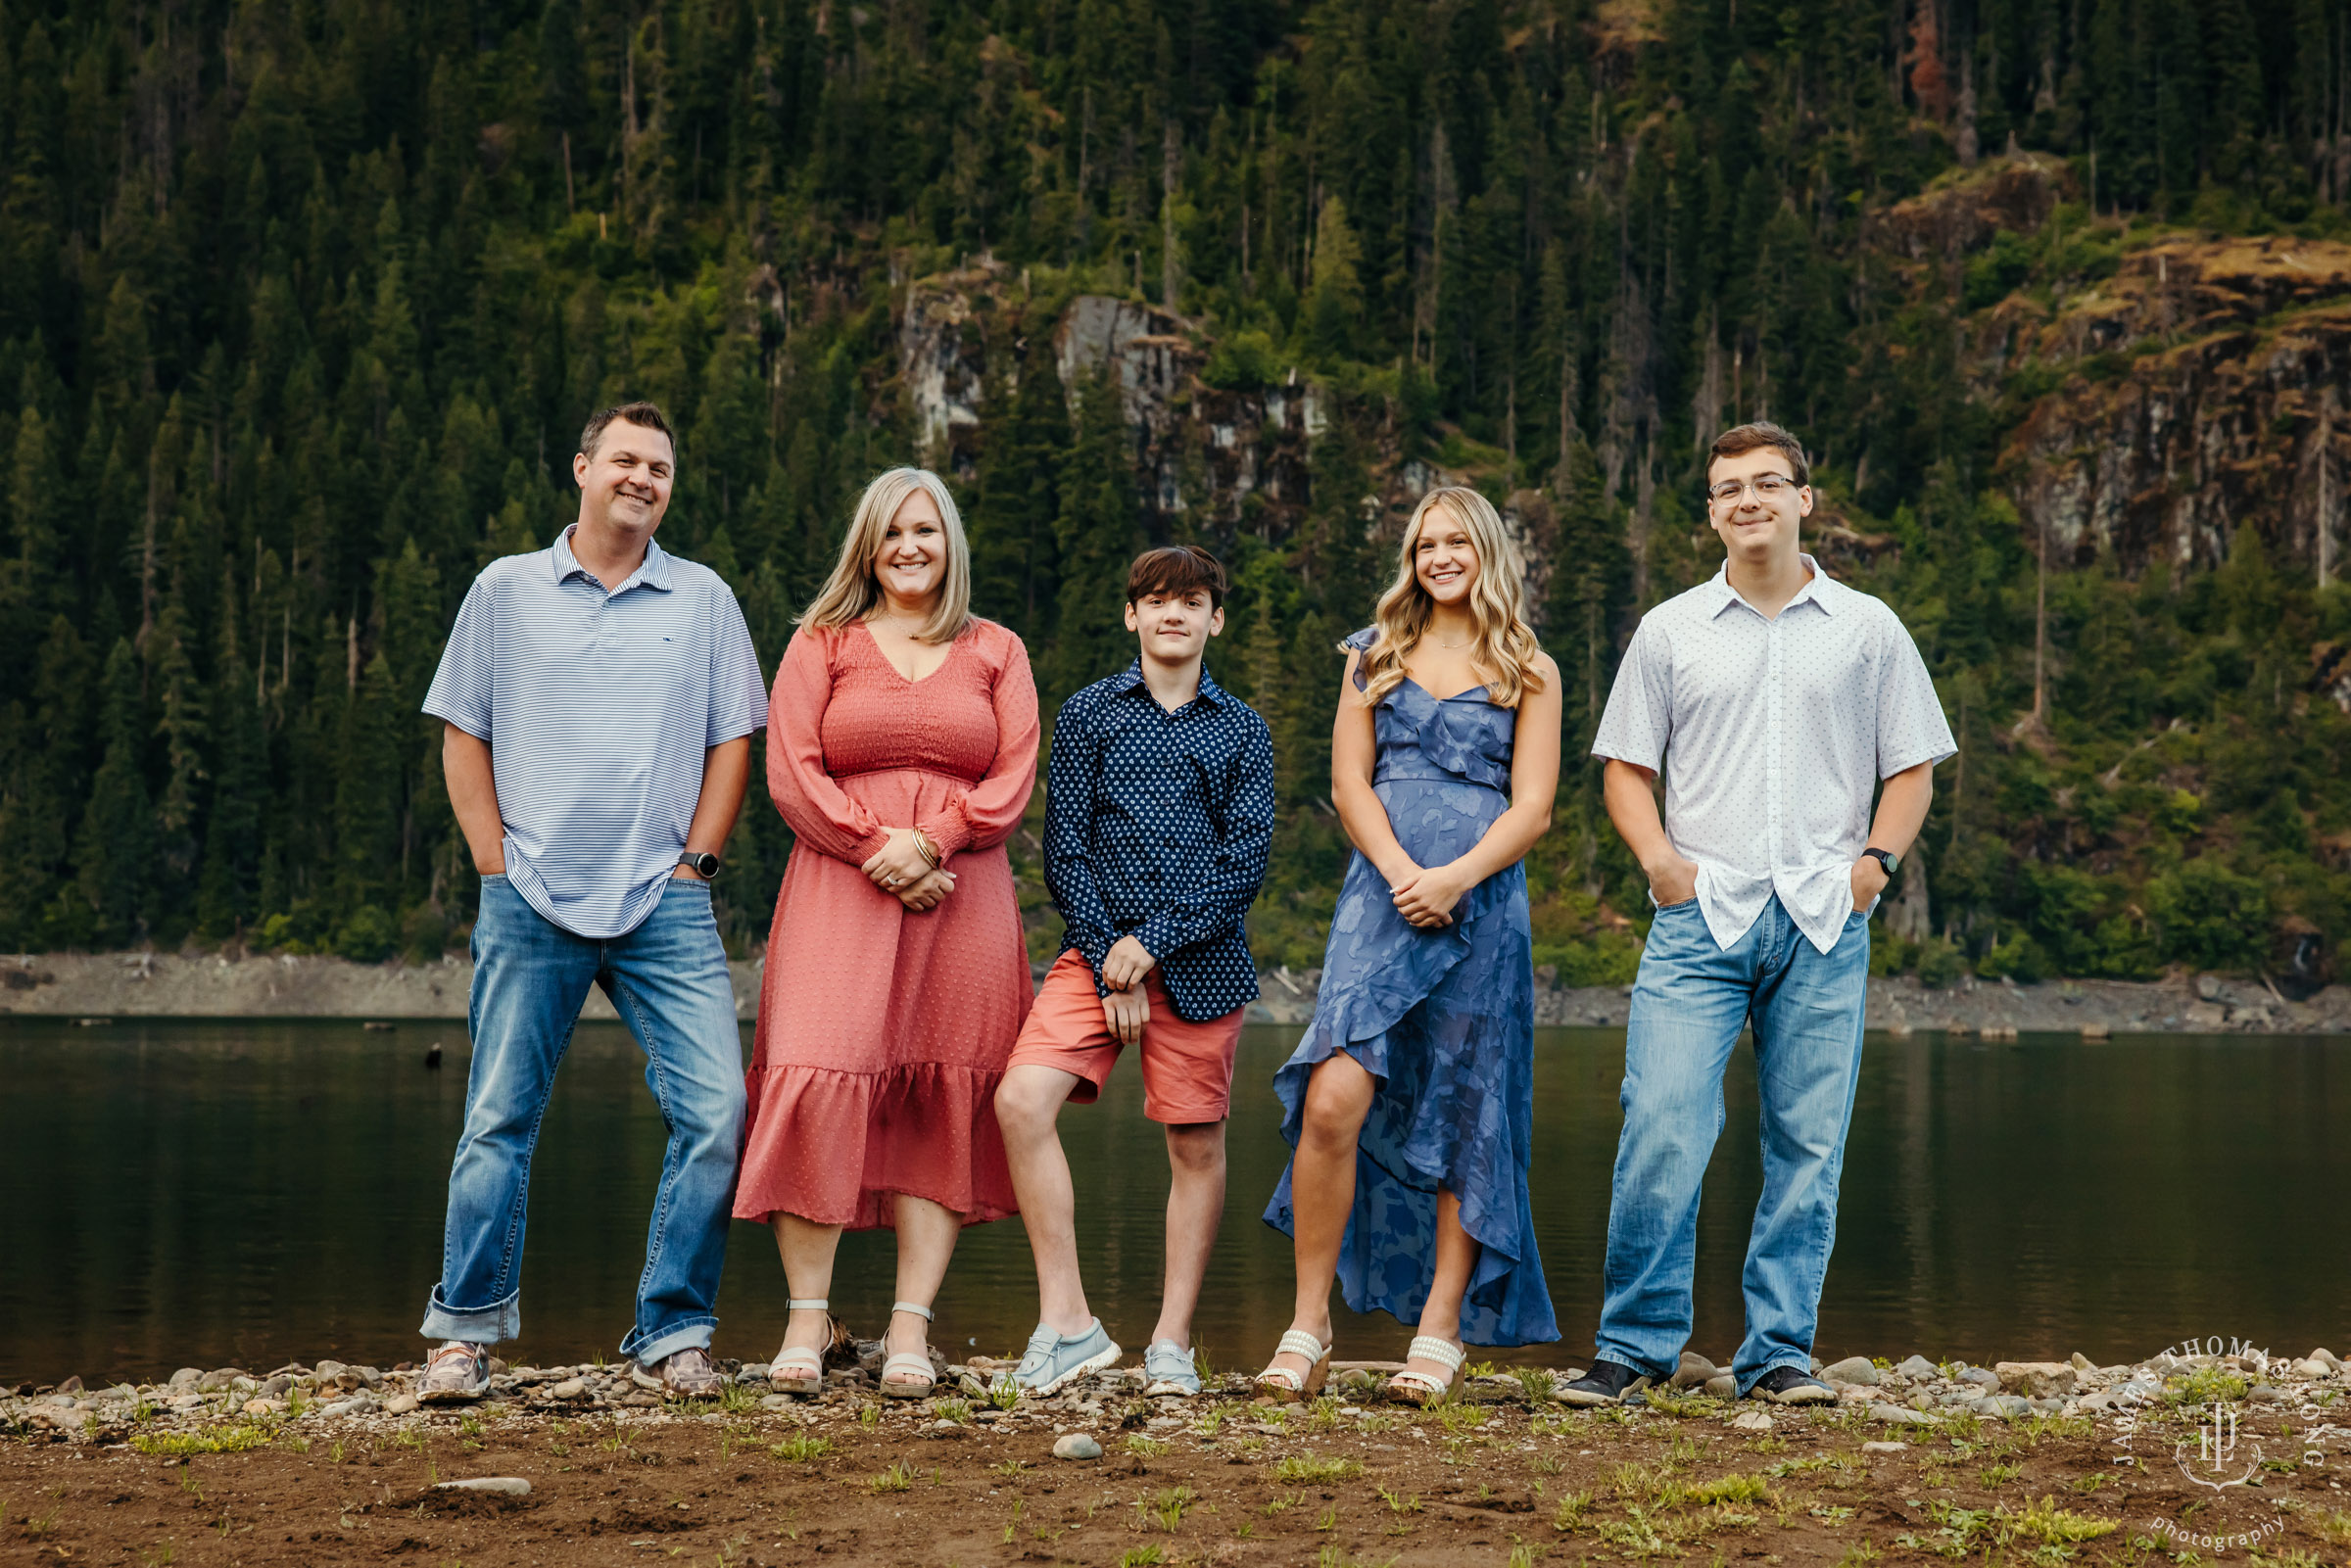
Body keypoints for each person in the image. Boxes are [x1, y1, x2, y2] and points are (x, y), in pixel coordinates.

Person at [1561, 421, 1955, 1409]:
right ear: (1710, 511)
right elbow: (1626, 768)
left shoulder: (1868, 628)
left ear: (1804, 499)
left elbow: (1910, 766)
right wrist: (1660, 864)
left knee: (1807, 1143)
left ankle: (1779, 1352)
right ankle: (1634, 1346)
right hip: (1702, 916)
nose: (1748, 500)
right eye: (1728, 487)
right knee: (1659, 1123)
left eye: (1767, 483)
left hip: (1826, 917)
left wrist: (1876, 862)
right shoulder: (1670, 629)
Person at [416, 401, 766, 1402]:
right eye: (625, 459)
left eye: (659, 466)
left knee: (718, 1110)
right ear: (582, 468)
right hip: (530, 892)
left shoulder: (702, 598)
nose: (643, 477)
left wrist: (698, 862)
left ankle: (674, 1329)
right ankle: (463, 1333)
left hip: (664, 899)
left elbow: (733, 736)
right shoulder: (505, 589)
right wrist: (493, 859)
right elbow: (463, 729)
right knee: (499, 1117)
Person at [735, 467, 1040, 1400]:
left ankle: (911, 1327)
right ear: (867, 545)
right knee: (817, 1072)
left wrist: (933, 841)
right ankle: (805, 1319)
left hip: (964, 895)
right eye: (892, 531)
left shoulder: (997, 649)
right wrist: (880, 850)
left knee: (938, 1093)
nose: (910, 546)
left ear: (951, 543)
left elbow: (1015, 776)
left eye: (927, 530)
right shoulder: (820, 644)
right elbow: (793, 773)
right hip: (840, 889)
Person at [1259, 487, 1563, 1405]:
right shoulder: (1371, 655)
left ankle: (1439, 1328)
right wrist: (1401, 872)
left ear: (1486, 552)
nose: (1439, 556)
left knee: (1467, 1109)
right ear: (1411, 557)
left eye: (1456, 541)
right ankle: (1308, 1321)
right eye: (1425, 543)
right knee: (1332, 1098)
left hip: (1481, 907)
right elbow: (1350, 782)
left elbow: (1535, 806)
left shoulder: (1530, 668)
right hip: (1381, 901)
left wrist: (1456, 877)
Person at [992, 546, 1274, 1398]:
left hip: (1200, 966)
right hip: (1096, 953)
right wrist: (1115, 958)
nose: (1173, 614)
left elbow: (1243, 863)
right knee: (1019, 1101)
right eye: (1155, 601)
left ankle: (1172, 1343)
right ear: (1132, 617)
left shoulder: (1244, 729)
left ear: (1215, 620)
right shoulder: (1088, 714)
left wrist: (1152, 945)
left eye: (1191, 600)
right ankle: (1069, 1322)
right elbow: (1065, 847)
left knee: (1195, 1146)